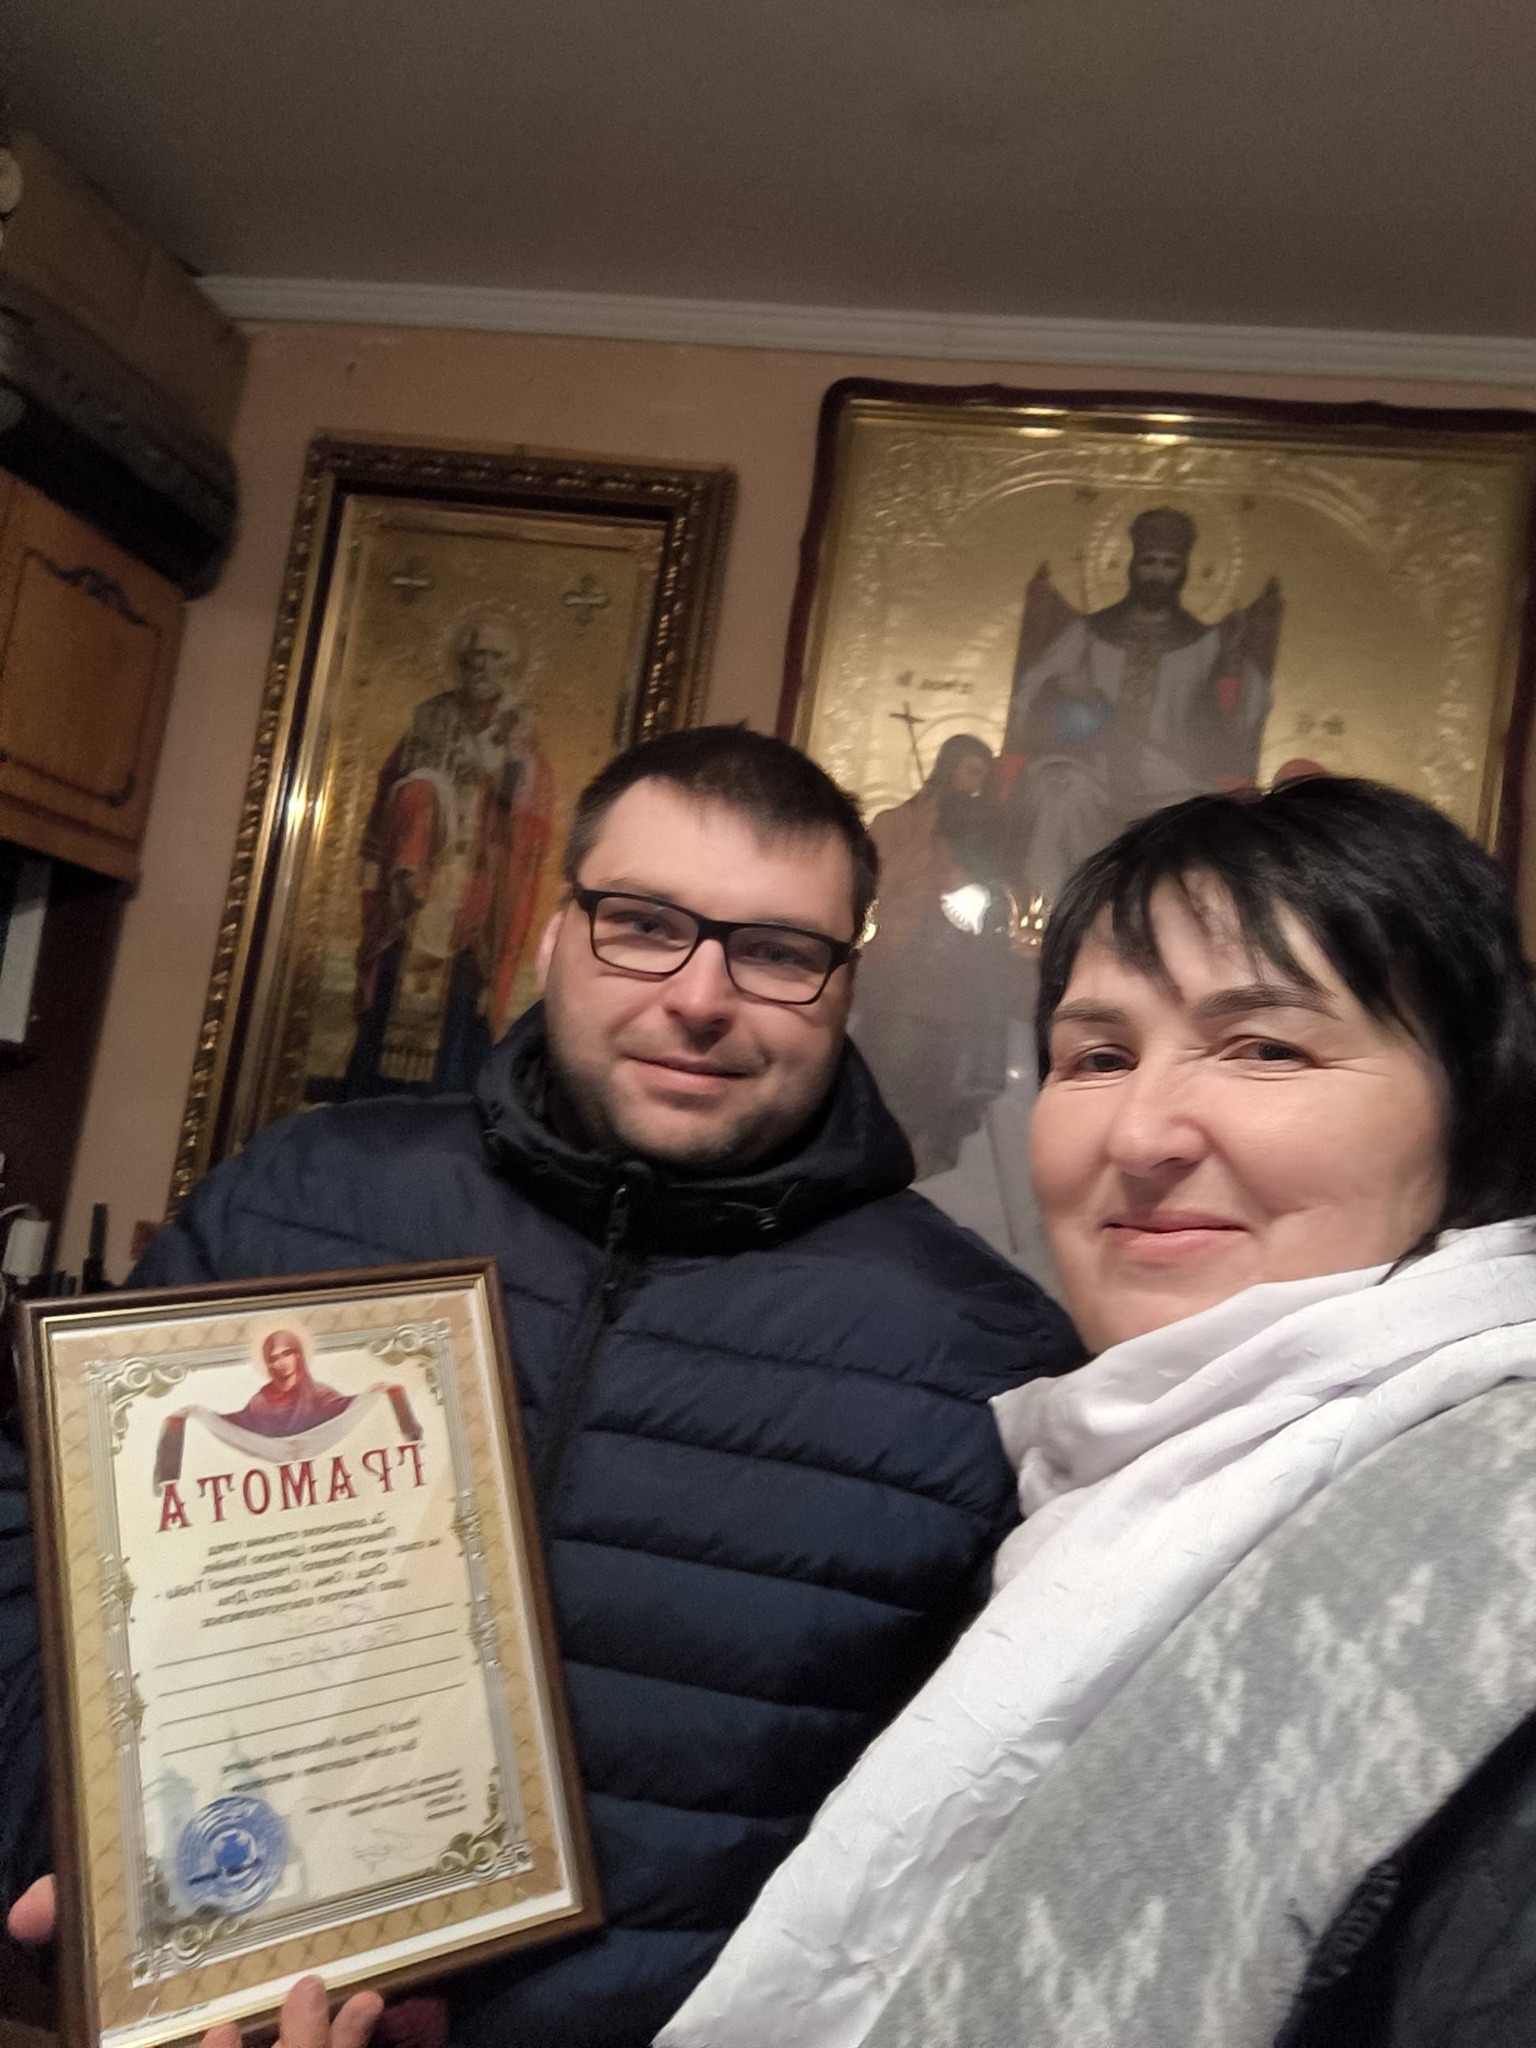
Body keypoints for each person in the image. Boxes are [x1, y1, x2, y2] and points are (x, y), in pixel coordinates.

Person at [0, 725, 1081, 2048]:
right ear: (555, 934)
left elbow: (991, 1831)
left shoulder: (985, 1351)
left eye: (777, 951)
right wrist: (76, 1842)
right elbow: (44, 1535)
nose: (701, 995)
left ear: (844, 985)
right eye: (645, 924)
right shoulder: (300, 1196)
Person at [661, 775, 1536, 2048]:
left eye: (1267, 1046)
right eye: (1099, 1056)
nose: (1139, 1134)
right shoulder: (1103, 1482)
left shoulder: (1496, 1534)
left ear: (1475, 1102)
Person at [999, 506, 1279, 910]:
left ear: (1183, 571)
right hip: (1092, 764)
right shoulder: (1090, 632)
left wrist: (1234, 663)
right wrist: (1062, 687)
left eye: (1169, 564)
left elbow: (1246, 712)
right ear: (1133, 565)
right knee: (1058, 791)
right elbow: (1030, 690)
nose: (1157, 574)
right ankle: (1055, 909)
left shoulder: (1206, 643)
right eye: (1149, 562)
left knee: (1201, 819)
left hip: (1169, 773)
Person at [339, 606, 554, 1099]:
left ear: (512, 665)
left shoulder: (519, 728)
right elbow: (391, 786)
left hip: (474, 896)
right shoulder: (430, 716)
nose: (484, 666)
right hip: (416, 896)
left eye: (496, 656)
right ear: (461, 659)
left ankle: (447, 1112)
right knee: (391, 1003)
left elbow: (531, 818)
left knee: (459, 1019)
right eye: (476, 655)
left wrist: (505, 773)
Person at [854, 734, 1013, 1176]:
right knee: (892, 1072)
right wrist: (929, 852)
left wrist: (978, 890)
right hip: (903, 975)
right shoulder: (903, 822)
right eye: (970, 770)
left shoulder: (984, 830)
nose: (976, 783)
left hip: (960, 982)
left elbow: (998, 904)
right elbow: (877, 879)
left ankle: (917, 1165)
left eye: (983, 774)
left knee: (939, 1085)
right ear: (949, 767)